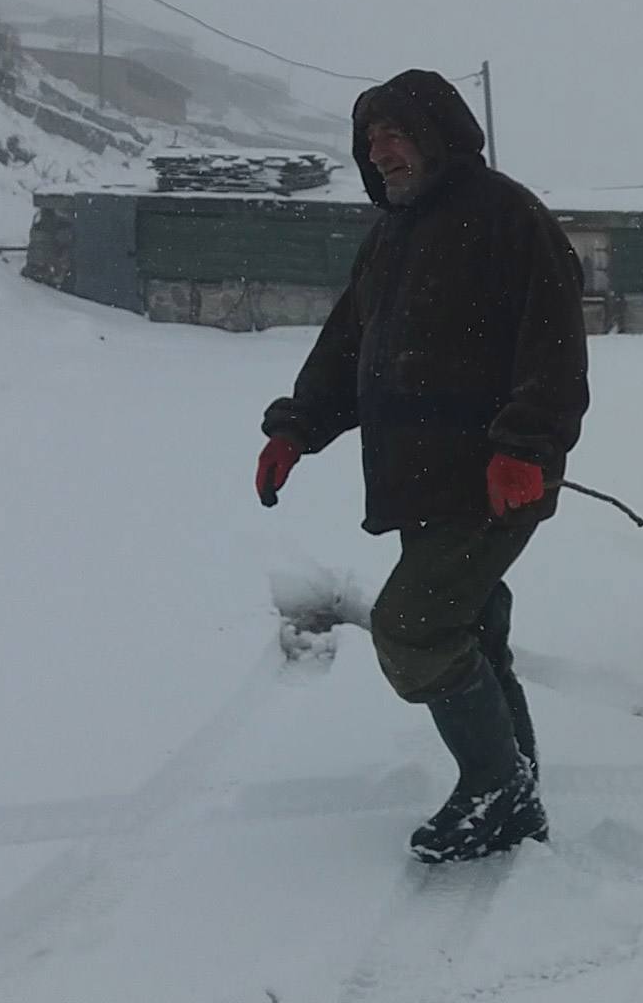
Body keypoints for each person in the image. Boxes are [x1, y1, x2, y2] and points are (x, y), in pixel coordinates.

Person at [254, 70, 590, 863]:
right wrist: (297, 427)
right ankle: (515, 783)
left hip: (495, 480)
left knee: (412, 628)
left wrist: (524, 449)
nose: (381, 151)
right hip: (421, 482)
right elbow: (346, 347)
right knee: (469, 625)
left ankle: (495, 788)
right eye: (371, 139)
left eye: (396, 133)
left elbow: (554, 346)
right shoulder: (391, 235)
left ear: (439, 132)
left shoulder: (507, 216)